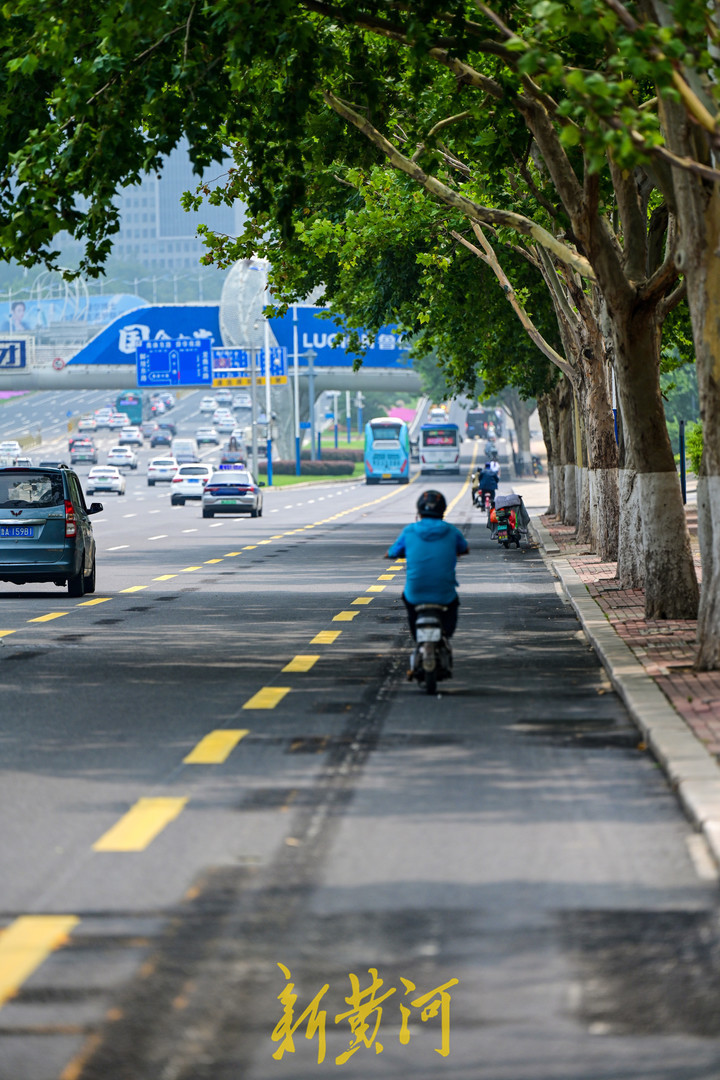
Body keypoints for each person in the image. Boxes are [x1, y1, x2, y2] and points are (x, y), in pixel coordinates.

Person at [386, 489, 469, 641]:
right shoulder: (451, 531)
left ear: (419, 511)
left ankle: (417, 638)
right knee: (453, 605)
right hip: (444, 593)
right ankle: (445, 636)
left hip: (415, 593)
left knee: (409, 604)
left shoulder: (409, 531)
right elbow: (464, 548)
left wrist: (391, 554)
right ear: (442, 510)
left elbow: (393, 552)